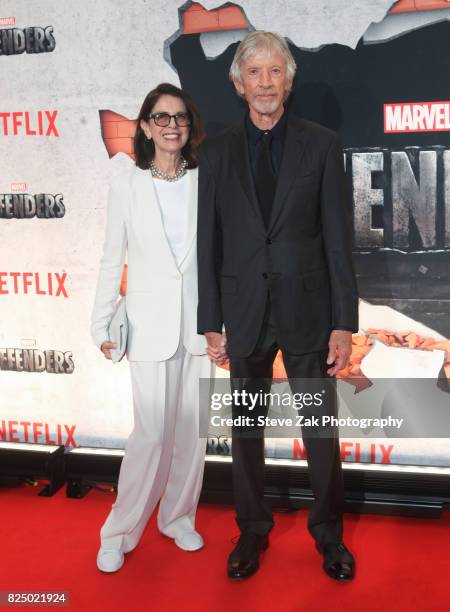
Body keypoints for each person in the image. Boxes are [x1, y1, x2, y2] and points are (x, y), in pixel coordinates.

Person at [197, 32, 359, 581]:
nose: (264, 83)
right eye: (254, 73)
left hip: (309, 311)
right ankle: (251, 530)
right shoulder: (215, 151)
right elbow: (208, 241)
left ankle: (329, 536)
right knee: (246, 430)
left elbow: (338, 239)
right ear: (238, 83)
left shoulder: (322, 143)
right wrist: (209, 321)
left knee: (319, 429)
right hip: (242, 313)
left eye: (274, 72)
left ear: (288, 80)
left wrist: (343, 322)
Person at [91, 82, 212, 573]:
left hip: (201, 327)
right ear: (144, 127)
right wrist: (100, 322)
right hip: (146, 325)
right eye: (161, 118)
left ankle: (178, 517)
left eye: (179, 117)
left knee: (193, 433)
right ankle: (118, 530)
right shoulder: (126, 184)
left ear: (190, 126)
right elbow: (109, 257)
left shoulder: (207, 179)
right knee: (150, 435)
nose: (171, 126)